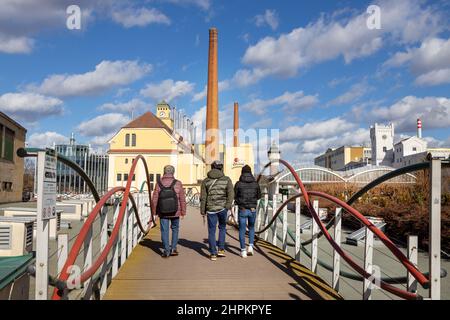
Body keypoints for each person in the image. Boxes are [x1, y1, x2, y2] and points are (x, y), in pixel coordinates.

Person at [200, 160, 234, 261]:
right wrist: (227, 206)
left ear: (212, 167)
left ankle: (213, 253)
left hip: (211, 209)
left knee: (211, 231)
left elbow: (203, 197)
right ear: (221, 168)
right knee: (222, 228)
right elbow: (231, 194)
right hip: (223, 208)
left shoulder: (206, 181)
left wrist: (203, 210)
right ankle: (221, 249)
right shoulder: (227, 179)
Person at [151, 165, 186, 258]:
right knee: (175, 229)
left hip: (163, 211)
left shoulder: (158, 183)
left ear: (164, 172)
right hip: (175, 211)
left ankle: (166, 250)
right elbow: (182, 198)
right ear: (173, 172)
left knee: (164, 230)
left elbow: (154, 199)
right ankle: (173, 248)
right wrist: (183, 211)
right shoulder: (178, 183)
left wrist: (154, 212)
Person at [234, 165, 261, 258]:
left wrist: (238, 202)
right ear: (250, 172)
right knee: (252, 228)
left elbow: (235, 196)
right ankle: (250, 246)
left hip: (243, 209)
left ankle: (243, 251)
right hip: (253, 209)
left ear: (242, 172)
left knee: (241, 230)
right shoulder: (255, 183)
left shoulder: (238, 184)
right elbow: (259, 196)